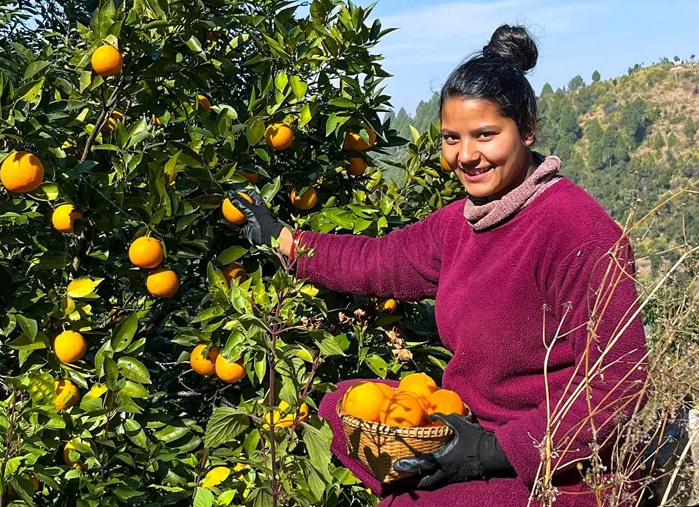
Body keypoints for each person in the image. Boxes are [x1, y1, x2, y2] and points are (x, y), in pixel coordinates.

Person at [225, 25, 649, 507]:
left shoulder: (576, 231)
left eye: (485, 135)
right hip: (468, 421)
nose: (466, 156)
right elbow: (378, 261)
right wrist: (285, 240)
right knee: (337, 406)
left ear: (527, 130)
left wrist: (490, 452)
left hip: (548, 458)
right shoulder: (460, 224)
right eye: (451, 138)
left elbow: (621, 381)